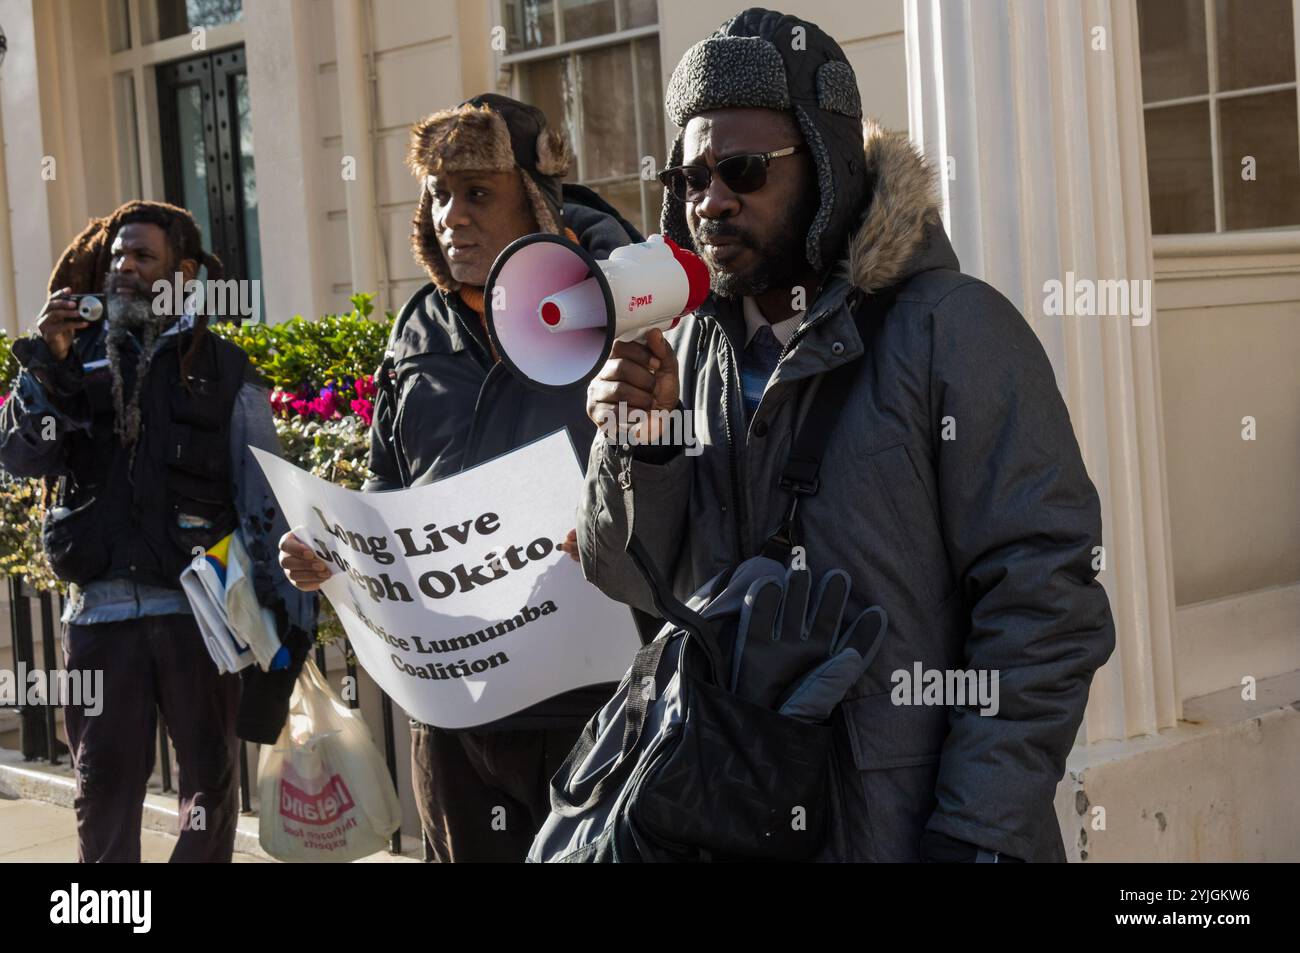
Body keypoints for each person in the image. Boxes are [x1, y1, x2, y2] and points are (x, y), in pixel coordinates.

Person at [577, 8, 1116, 863]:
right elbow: (631, 579)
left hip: (910, 831)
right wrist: (641, 448)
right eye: (690, 177)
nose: (712, 200)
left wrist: (975, 831)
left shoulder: (954, 330)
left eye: (744, 170)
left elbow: (1047, 602)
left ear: (827, 166)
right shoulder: (684, 355)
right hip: (736, 823)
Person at [278, 94, 646, 862]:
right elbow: (387, 484)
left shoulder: (617, 313)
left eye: (477, 192)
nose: (452, 216)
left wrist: (608, 527)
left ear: (536, 199)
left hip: (590, 704)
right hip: (452, 709)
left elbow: (675, 479)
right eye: (439, 194)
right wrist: (335, 551)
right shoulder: (416, 324)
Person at [0, 200, 317, 862]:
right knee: (103, 793)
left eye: (143, 256)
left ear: (184, 274)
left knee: (209, 789)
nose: (124, 268)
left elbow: (264, 496)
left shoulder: (225, 369)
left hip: (199, 619)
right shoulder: (71, 359)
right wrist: (43, 365)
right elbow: (20, 457)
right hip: (99, 617)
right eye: (117, 256)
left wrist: (288, 620)